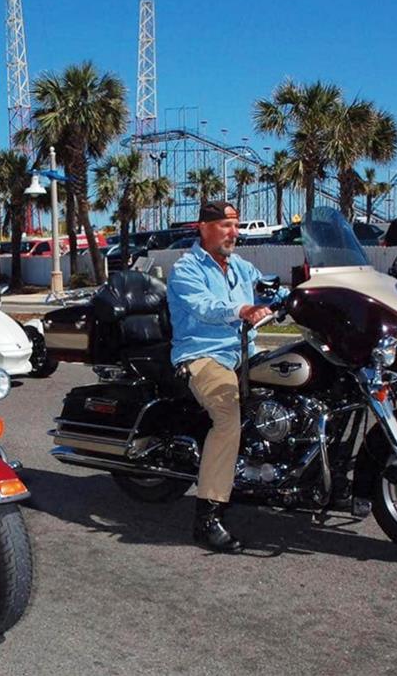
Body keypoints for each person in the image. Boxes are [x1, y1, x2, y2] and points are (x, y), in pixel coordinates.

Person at [167, 201, 274, 553]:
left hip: (246, 352)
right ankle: (207, 516)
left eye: (236, 225)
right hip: (203, 355)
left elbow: (267, 287)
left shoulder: (239, 266)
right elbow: (206, 307)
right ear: (204, 227)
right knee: (228, 416)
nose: (234, 232)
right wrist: (241, 309)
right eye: (226, 225)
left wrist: (303, 292)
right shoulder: (186, 270)